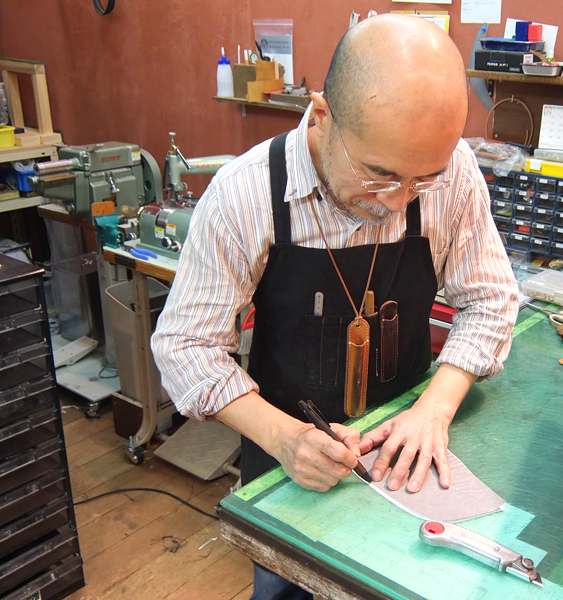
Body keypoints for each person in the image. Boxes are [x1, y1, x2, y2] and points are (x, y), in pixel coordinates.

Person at [151, 13, 518, 600]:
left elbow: (491, 300)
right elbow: (186, 346)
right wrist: (282, 438)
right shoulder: (246, 193)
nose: (398, 202)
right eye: (379, 175)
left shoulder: (452, 176)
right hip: (288, 460)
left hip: (408, 450)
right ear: (322, 116)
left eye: (422, 180)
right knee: (288, 586)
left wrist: (433, 410)